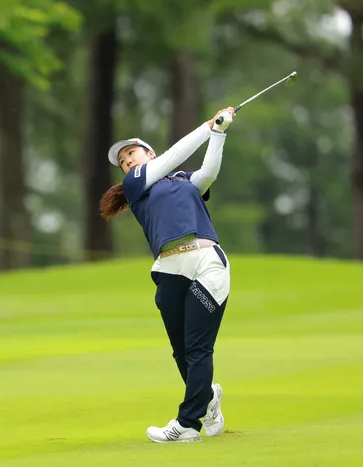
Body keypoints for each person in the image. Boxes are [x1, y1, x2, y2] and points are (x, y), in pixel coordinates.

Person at [99, 107, 236, 443]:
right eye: (123, 162)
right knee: (181, 351)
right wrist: (207, 127)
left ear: (149, 153)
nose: (128, 162)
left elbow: (208, 173)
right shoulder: (136, 185)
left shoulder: (185, 181)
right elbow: (174, 155)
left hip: (206, 262)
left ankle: (188, 424)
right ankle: (206, 398)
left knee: (198, 347)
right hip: (169, 270)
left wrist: (218, 134)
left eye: (132, 154)